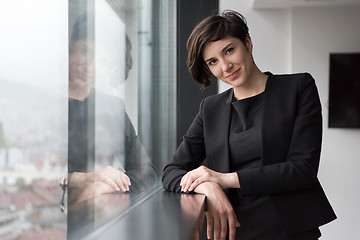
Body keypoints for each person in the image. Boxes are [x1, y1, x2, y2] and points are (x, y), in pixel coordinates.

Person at [162, 10, 336, 240]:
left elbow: (302, 169)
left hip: (289, 231)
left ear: (247, 43)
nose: (225, 66)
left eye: (229, 50)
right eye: (213, 62)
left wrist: (225, 179)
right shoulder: (210, 108)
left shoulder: (298, 88)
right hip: (230, 232)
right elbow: (171, 172)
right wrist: (207, 187)